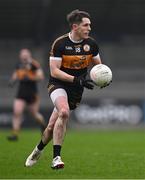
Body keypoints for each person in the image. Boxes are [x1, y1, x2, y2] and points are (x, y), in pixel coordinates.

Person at [25, 9, 110, 169]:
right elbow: (54, 71)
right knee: (63, 112)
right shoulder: (60, 43)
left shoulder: (91, 44)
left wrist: (104, 79)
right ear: (75, 26)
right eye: (86, 25)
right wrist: (76, 79)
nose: (89, 28)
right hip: (58, 84)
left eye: (90, 25)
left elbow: (99, 67)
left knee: (51, 127)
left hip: (76, 89)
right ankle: (56, 158)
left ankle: (37, 150)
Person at [7, 48, 46, 141]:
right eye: (22, 55)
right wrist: (12, 80)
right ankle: (15, 134)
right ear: (20, 56)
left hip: (32, 93)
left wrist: (31, 78)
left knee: (34, 114)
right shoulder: (19, 65)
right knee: (17, 112)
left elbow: (41, 76)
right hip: (21, 92)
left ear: (29, 55)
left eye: (26, 54)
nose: (24, 56)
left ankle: (43, 125)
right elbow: (16, 74)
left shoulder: (34, 64)